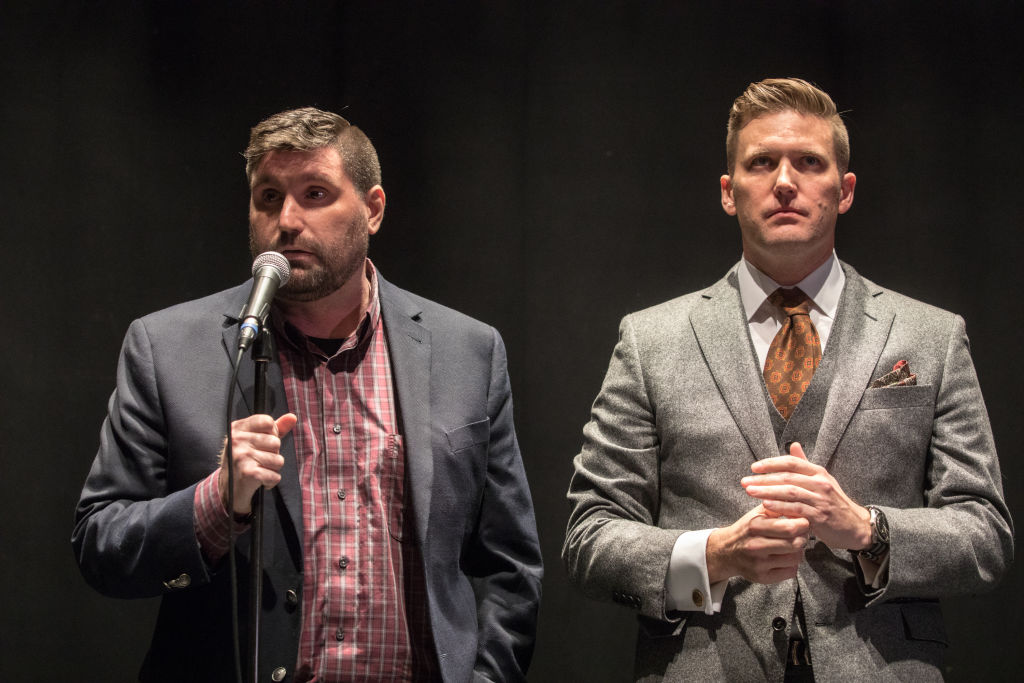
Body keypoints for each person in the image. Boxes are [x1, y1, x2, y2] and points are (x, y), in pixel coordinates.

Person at [563, 78, 1012, 681]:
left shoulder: (930, 336)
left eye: (808, 162)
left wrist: (867, 531)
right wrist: (714, 556)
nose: (783, 181)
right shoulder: (651, 341)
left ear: (844, 189)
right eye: (761, 163)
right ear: (729, 192)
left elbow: (984, 535)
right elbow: (590, 537)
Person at [73, 107, 542, 683]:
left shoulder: (466, 351)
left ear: (373, 209)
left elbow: (509, 568)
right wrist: (218, 502)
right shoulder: (167, 348)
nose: (287, 220)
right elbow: (100, 544)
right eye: (268, 197)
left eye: (315, 193)